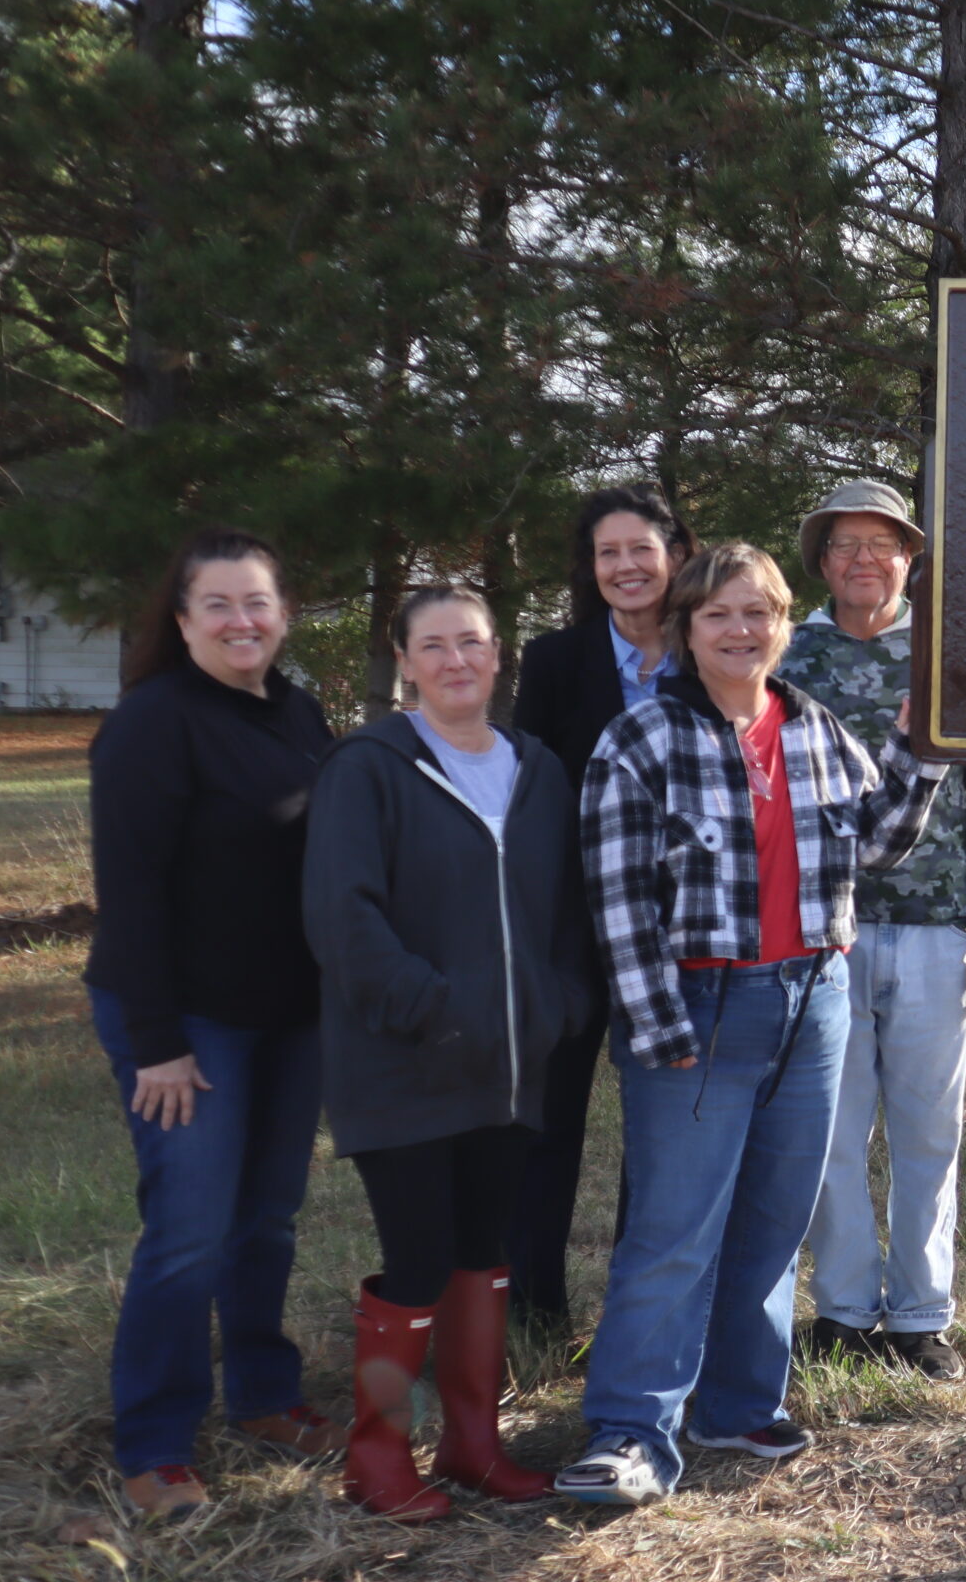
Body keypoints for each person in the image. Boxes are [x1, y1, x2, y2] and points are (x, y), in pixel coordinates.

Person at [556, 543, 949, 1506]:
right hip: (698, 1004)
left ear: (783, 625)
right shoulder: (643, 737)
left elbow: (878, 844)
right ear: (689, 631)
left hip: (812, 1000)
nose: (742, 631)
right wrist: (655, 1023)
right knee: (674, 1229)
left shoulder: (810, 724)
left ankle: (734, 1402)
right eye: (720, 615)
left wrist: (920, 751)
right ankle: (630, 1428)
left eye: (760, 613)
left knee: (774, 1219)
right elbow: (615, 899)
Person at [304, 586, 596, 1521]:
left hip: (511, 1063)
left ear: (499, 653)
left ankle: (475, 1444)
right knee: (420, 1255)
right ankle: (378, 1450)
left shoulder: (538, 769)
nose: (456, 659)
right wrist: (430, 1007)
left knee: (483, 1251)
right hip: (404, 1062)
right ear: (405, 661)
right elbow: (342, 917)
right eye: (434, 645)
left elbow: (565, 912)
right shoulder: (369, 766)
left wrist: (559, 1003)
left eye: (472, 641)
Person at [84, 528, 343, 1518]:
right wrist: (157, 1042)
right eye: (220, 605)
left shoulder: (297, 712)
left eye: (258, 603)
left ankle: (265, 1396)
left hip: (288, 1016)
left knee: (267, 1218)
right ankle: (154, 1443)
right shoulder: (154, 722)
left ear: (282, 614)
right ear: (183, 619)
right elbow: (132, 891)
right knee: (188, 1230)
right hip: (185, 1020)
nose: (243, 621)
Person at [777, 480, 966, 1383]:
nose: (864, 560)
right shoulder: (788, 657)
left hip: (932, 930)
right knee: (834, 1137)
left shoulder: (949, 657)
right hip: (822, 933)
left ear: (912, 560)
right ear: (822, 560)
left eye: (883, 544)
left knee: (927, 1132)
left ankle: (920, 1315)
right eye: (844, 544)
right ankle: (842, 1310)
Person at [506, 485, 696, 1334]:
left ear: (676, 553)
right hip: (574, 929)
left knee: (659, 1137)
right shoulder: (552, 661)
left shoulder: (715, 651)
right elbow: (530, 797)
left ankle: (639, 1311)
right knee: (548, 1126)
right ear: (591, 569)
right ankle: (536, 1311)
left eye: (639, 549)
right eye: (606, 553)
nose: (624, 567)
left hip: (686, 932)